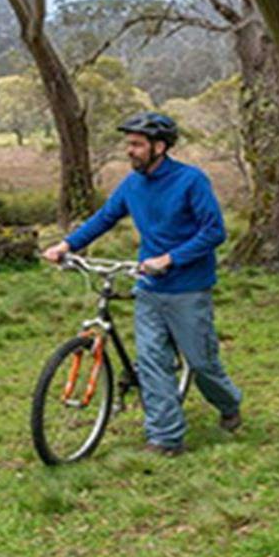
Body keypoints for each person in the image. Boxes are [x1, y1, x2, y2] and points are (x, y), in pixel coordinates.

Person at [43, 112, 242, 456]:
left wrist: (171, 258)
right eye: (128, 144)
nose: (129, 150)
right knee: (151, 361)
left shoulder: (191, 181)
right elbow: (104, 217)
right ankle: (166, 438)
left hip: (188, 288)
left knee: (201, 362)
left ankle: (229, 404)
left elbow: (214, 232)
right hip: (148, 287)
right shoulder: (132, 184)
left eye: (136, 144)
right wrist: (67, 245)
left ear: (159, 147)